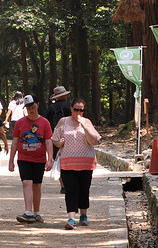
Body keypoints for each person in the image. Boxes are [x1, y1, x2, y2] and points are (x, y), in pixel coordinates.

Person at [51, 98, 101, 229]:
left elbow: (94, 140)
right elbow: (54, 139)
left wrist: (84, 126)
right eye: (76, 109)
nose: (78, 112)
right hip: (68, 163)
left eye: (81, 110)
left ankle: (83, 215)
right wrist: (59, 143)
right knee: (71, 190)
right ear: (71, 109)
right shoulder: (63, 121)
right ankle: (71, 218)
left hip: (86, 163)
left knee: (84, 189)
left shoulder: (87, 122)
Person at [8, 94, 53, 224]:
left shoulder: (44, 123)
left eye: (33, 107)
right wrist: (11, 160)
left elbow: (48, 141)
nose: (31, 110)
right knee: (26, 182)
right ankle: (28, 212)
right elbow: (15, 142)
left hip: (39, 159)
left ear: (37, 106)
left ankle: (36, 212)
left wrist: (50, 159)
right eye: (28, 108)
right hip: (24, 157)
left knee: (37, 185)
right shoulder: (20, 123)